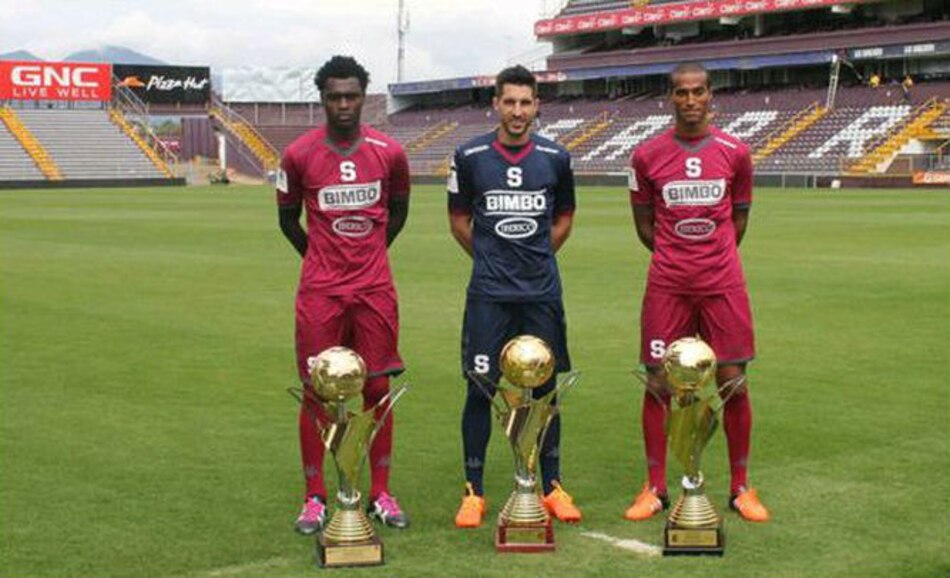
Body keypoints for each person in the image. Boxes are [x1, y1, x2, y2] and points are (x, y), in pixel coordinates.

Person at [624, 62, 770, 523]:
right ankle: (655, 488)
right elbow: (646, 227)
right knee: (657, 383)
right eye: (681, 93)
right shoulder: (646, 156)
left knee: (733, 382)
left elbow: (738, 220)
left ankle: (741, 487)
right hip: (668, 286)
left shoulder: (736, 152)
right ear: (670, 98)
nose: (690, 100)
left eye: (698, 92)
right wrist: (679, 257)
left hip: (723, 285)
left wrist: (711, 259)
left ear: (711, 95)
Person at [277, 55, 411, 535]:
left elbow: (397, 214)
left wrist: (368, 256)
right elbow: (287, 220)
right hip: (321, 292)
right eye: (334, 97)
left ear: (364, 97)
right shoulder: (297, 155)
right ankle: (314, 498)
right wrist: (321, 261)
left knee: (377, 390)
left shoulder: (390, 152)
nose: (343, 104)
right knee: (317, 392)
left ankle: (380, 492)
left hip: (374, 289)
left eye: (351, 96)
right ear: (323, 100)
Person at [447, 65, 582, 529]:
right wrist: (489, 259)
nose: (518, 111)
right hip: (489, 295)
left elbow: (563, 217)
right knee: (480, 388)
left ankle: (551, 486)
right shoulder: (469, 156)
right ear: (496, 104)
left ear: (537, 106)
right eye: (510, 102)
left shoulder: (556, 158)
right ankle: (474, 492)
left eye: (526, 102)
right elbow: (459, 220)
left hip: (540, 294)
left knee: (545, 390)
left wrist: (537, 256)